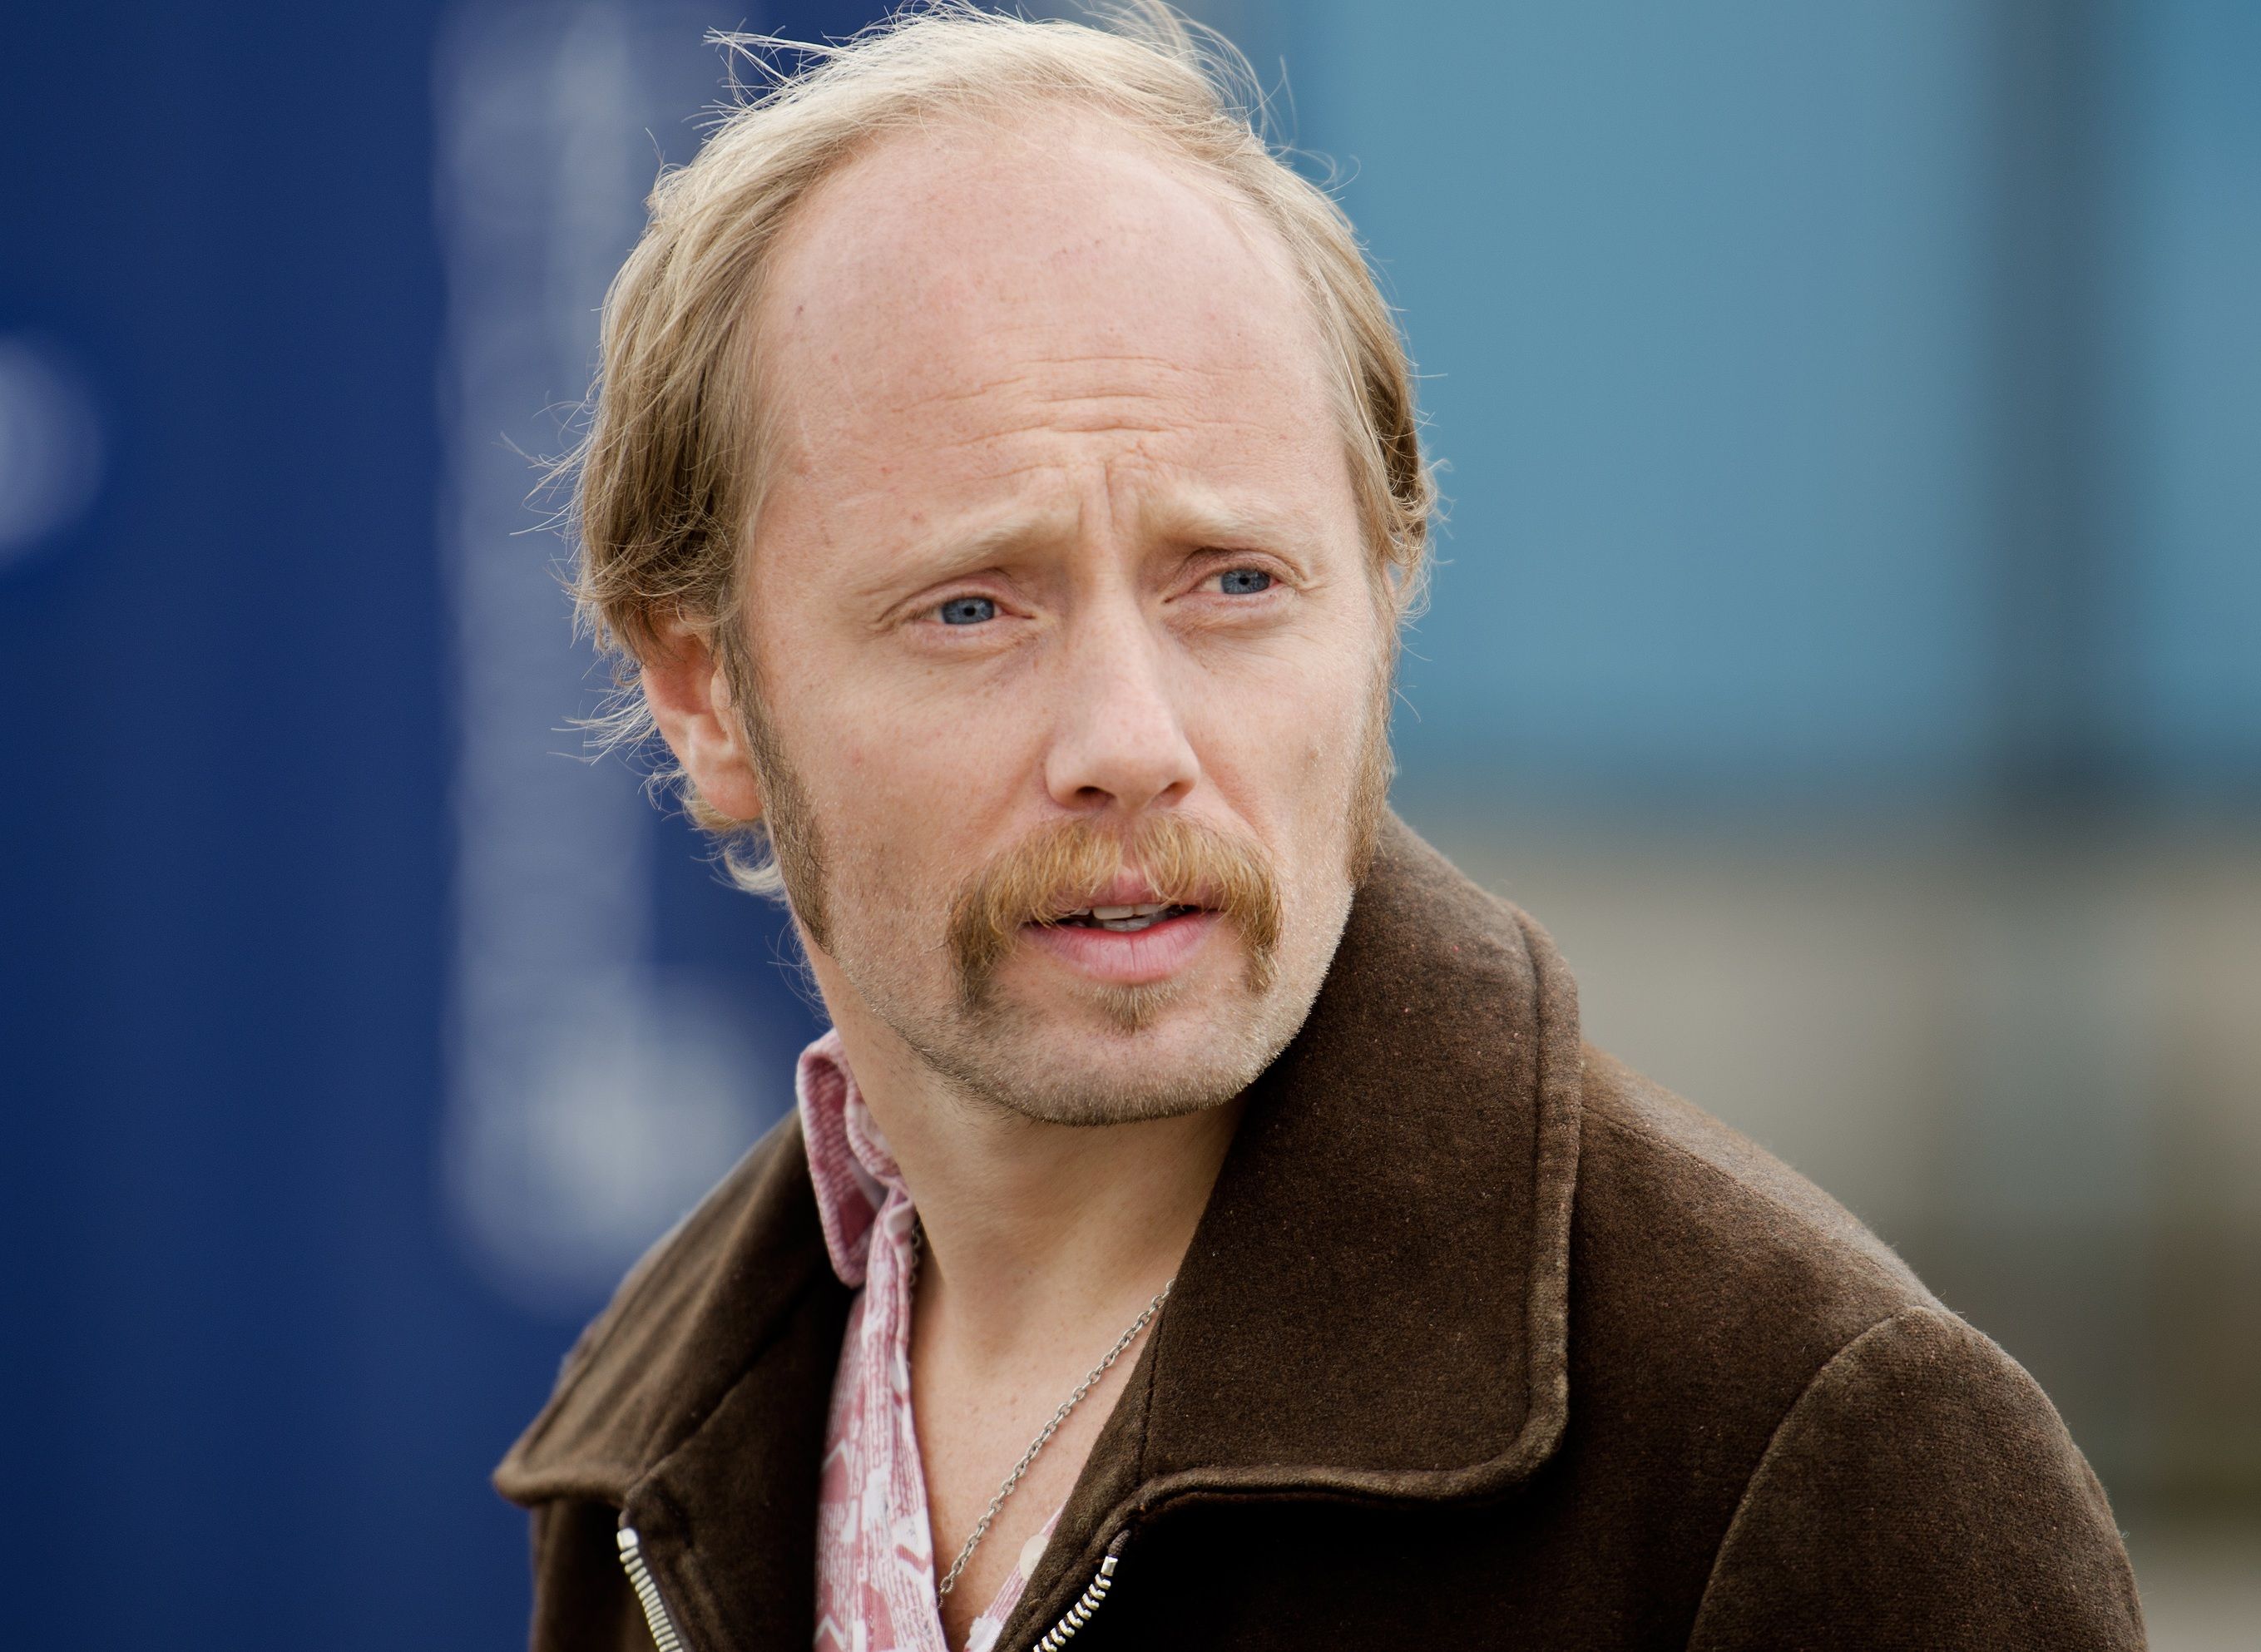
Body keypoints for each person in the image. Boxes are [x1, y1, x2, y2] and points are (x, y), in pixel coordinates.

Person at [494, 7, 2145, 1650]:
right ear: (706, 693)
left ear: (1382, 605)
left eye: (1234, 583)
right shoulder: (645, 1462)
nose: (1131, 744)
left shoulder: (1808, 1455)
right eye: (974, 607)